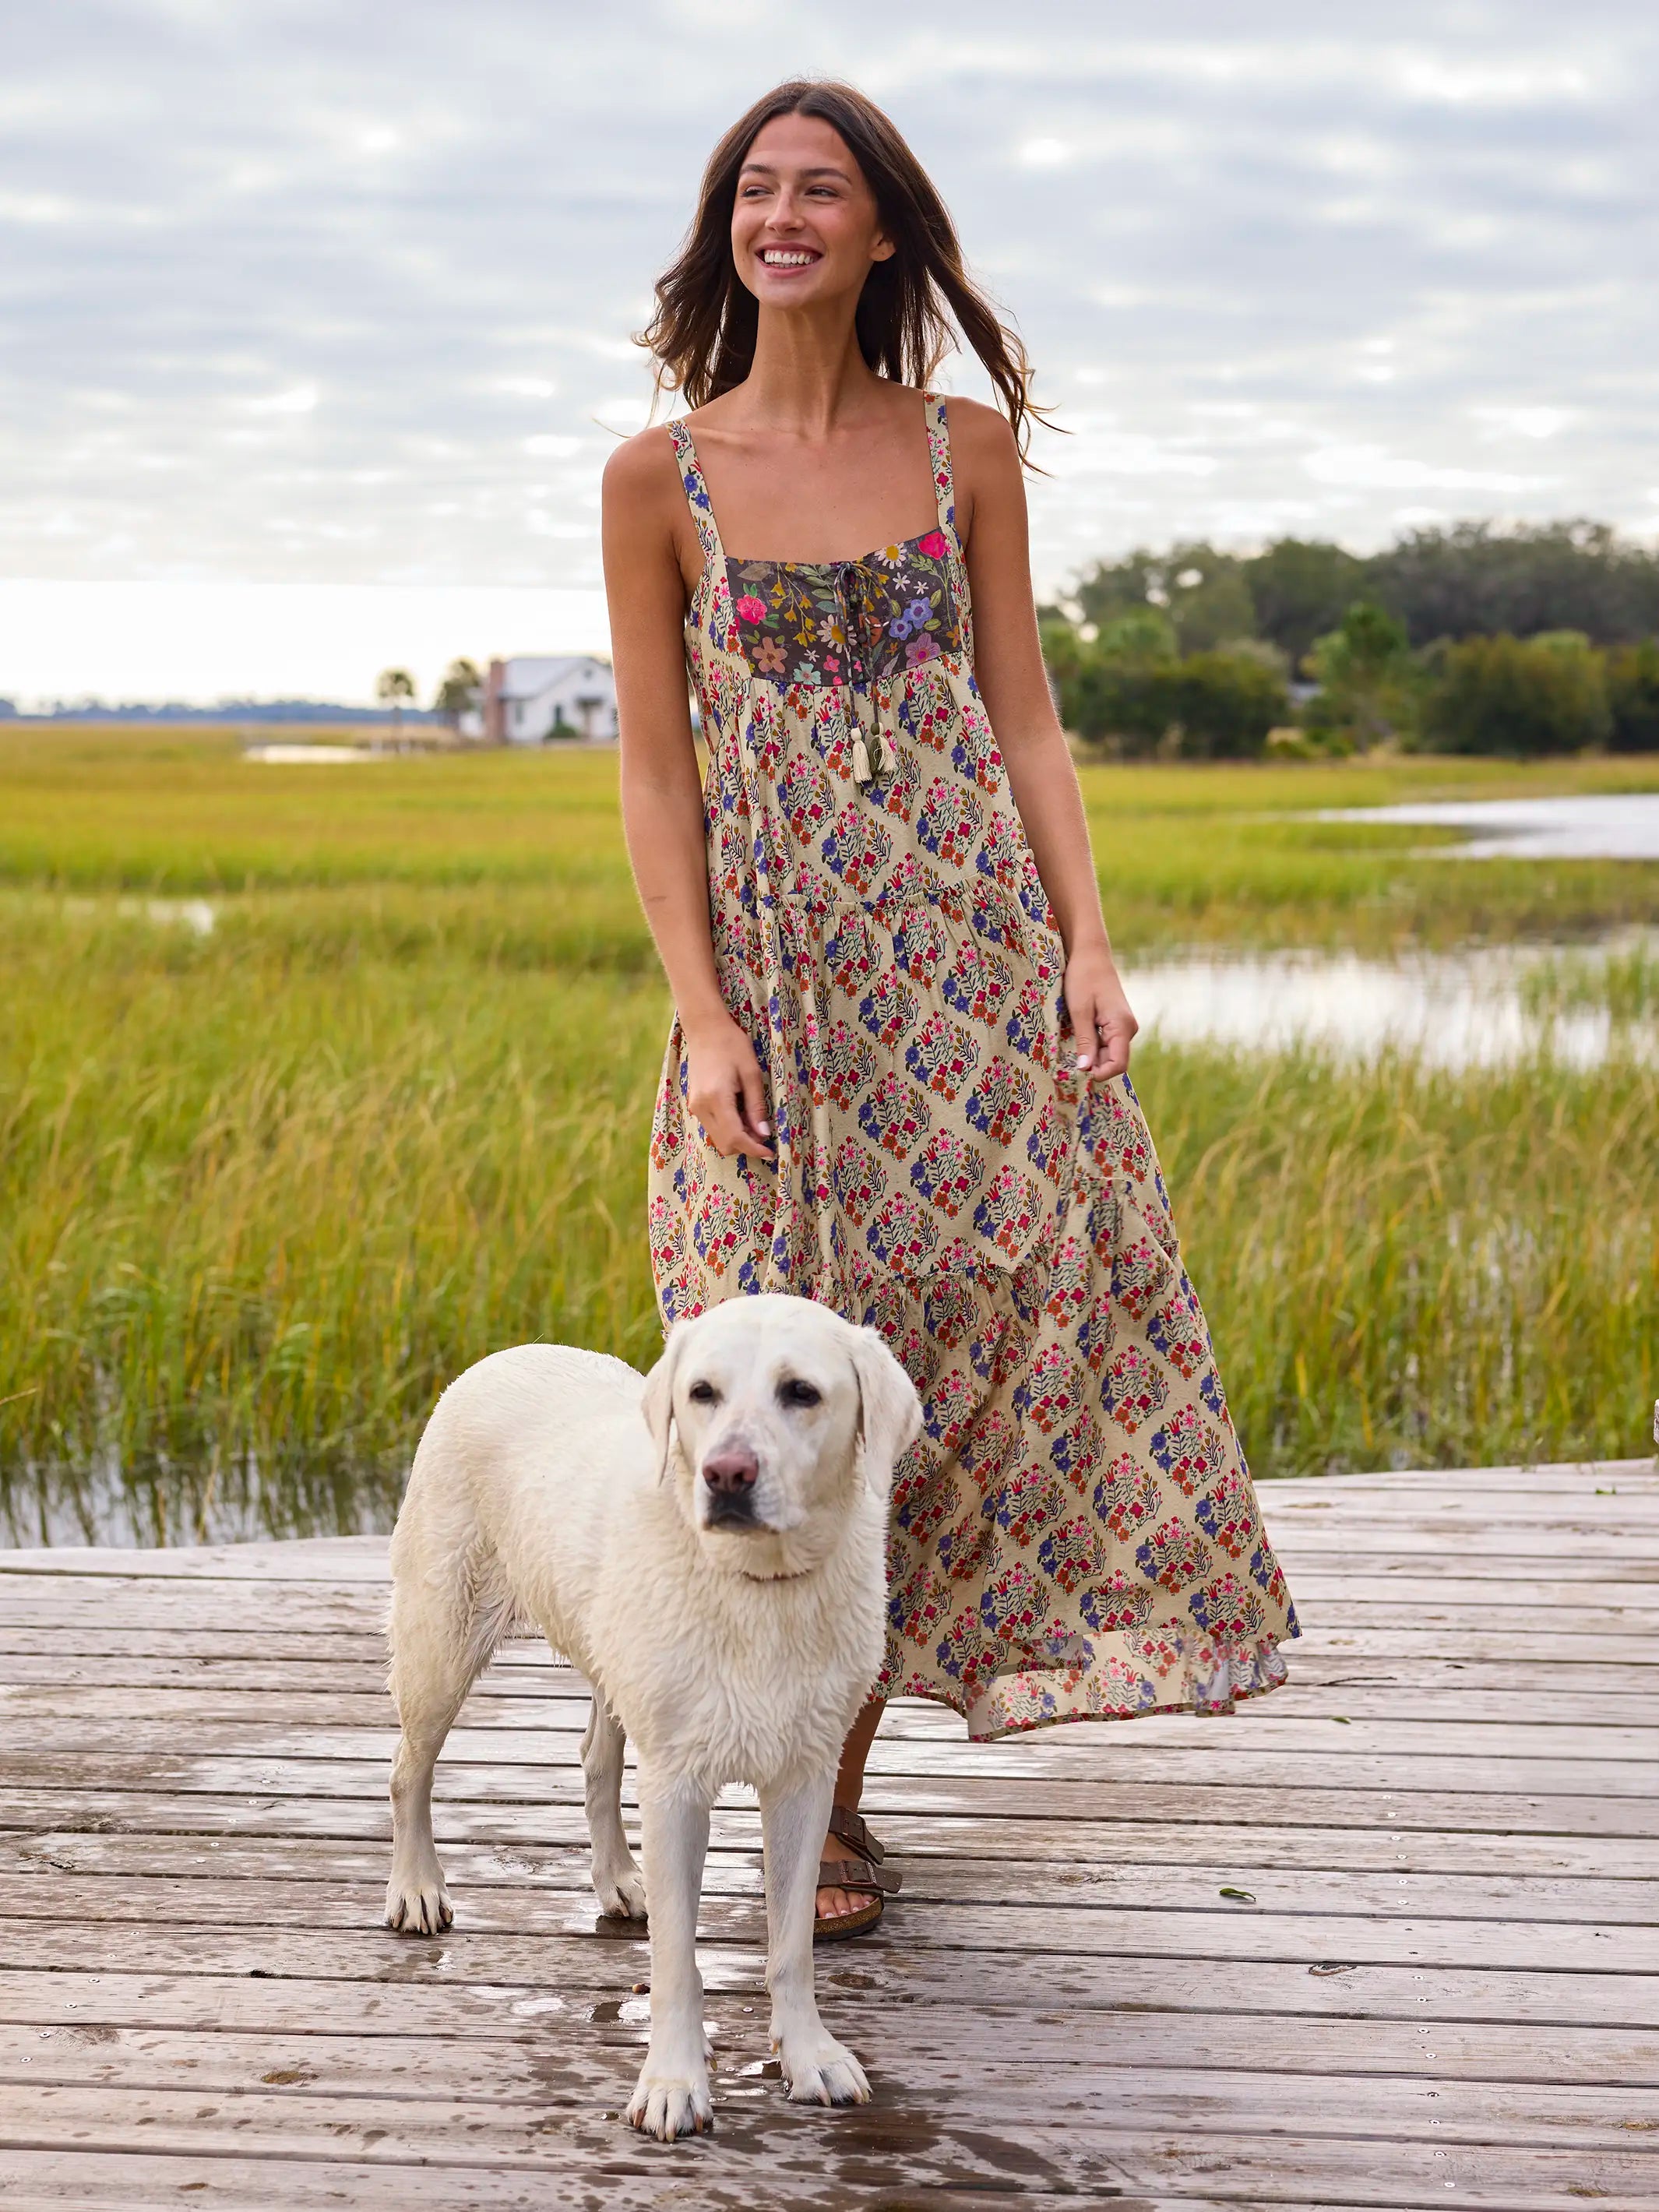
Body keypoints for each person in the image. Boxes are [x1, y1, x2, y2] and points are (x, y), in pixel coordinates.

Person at [602, 78, 1297, 1939]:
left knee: (956, 1373)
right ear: (725, 229)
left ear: (885, 229)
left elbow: (1029, 711)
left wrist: (1084, 936)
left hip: (968, 986)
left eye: (822, 189)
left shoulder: (962, 454)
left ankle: (837, 1794)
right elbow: (656, 776)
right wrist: (707, 1011)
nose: (785, 214)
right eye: (756, 188)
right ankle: (768, 1776)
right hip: (780, 1006)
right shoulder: (656, 479)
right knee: (750, 1375)